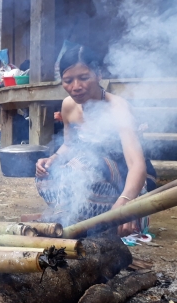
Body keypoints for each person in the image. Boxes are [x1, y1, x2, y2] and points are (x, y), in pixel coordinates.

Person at [34, 43, 156, 237]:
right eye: (68, 80)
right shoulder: (68, 106)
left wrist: (125, 202)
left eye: (84, 78)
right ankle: (78, 216)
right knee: (48, 174)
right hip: (93, 178)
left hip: (129, 184)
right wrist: (52, 160)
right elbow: (69, 144)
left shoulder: (118, 108)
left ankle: (103, 217)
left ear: (99, 74)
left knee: (86, 163)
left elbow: (137, 165)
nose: (75, 87)